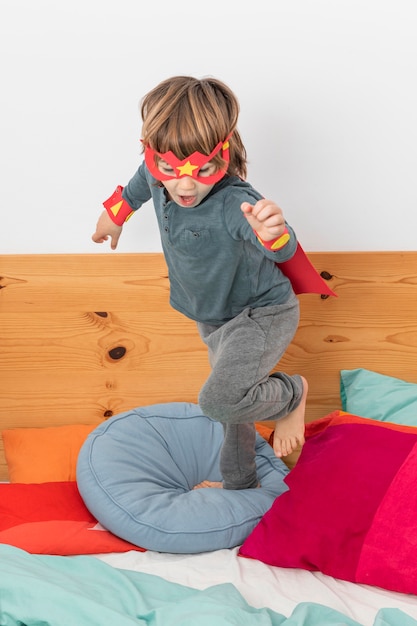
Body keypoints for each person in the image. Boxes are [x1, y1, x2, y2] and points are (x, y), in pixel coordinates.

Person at [92, 75, 308, 490]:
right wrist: (113, 218)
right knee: (233, 412)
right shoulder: (157, 175)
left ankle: (291, 394)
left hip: (260, 313)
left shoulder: (233, 201)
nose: (185, 185)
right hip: (213, 318)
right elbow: (136, 190)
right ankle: (240, 486)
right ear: (152, 155)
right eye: (169, 170)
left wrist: (273, 232)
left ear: (223, 154)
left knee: (218, 401)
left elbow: (282, 251)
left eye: (204, 169)